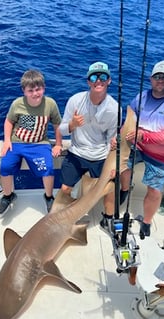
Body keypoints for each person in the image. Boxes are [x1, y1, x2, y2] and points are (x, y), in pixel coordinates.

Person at [119, 60, 164, 239]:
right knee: (122, 167)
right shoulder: (141, 97)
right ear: (151, 79)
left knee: (154, 189)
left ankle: (147, 221)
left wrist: (143, 136)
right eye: (157, 76)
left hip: (163, 154)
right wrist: (120, 136)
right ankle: (125, 189)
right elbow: (129, 116)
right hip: (137, 145)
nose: (160, 80)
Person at [59, 61, 119, 229]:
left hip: (100, 156)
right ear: (88, 81)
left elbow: (111, 140)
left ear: (109, 81)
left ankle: (107, 219)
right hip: (76, 153)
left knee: (109, 189)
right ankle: (63, 217)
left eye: (103, 77)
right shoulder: (75, 100)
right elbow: (62, 130)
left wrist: (112, 163)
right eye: (93, 77)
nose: (98, 80)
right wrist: (72, 125)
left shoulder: (115, 109)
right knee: (64, 189)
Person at [0, 69, 62, 214]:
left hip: (40, 143)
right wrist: (7, 140)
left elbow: (58, 124)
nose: (35, 93)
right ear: (24, 91)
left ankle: (49, 197)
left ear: (43, 88)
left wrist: (58, 144)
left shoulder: (50, 104)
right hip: (16, 142)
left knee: (48, 169)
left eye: (38, 89)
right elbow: (9, 121)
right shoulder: (17, 104)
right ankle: (8, 196)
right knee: (5, 167)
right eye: (30, 90)